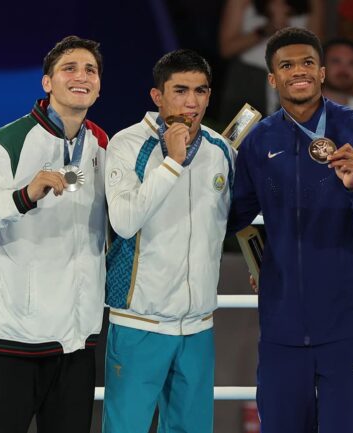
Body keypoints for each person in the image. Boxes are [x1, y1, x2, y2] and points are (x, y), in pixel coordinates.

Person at [228, 27, 353, 432]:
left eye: (307, 62)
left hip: (347, 322)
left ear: (322, 72)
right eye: (286, 65)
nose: (299, 72)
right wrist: (206, 172)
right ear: (273, 78)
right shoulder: (258, 142)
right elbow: (230, 217)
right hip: (282, 324)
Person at [0, 36, 107, 433]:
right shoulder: (10, 142)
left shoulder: (102, 144)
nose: (81, 76)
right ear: (47, 82)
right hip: (15, 340)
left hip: (76, 339)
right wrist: (23, 196)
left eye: (91, 70)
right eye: (70, 68)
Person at [102, 49, 235, 433]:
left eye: (200, 90)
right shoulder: (126, 145)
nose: (191, 102)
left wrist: (259, 265)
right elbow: (124, 221)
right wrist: (172, 163)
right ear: (157, 96)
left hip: (198, 325)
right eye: (180, 90)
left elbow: (237, 219)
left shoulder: (220, 149)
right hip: (139, 321)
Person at [219, 0, 324, 119]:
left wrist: (286, 30)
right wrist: (265, 30)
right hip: (248, 77)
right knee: (239, 134)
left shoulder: (314, 2)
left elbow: (315, 51)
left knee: (291, 134)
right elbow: (226, 49)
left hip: (293, 77)